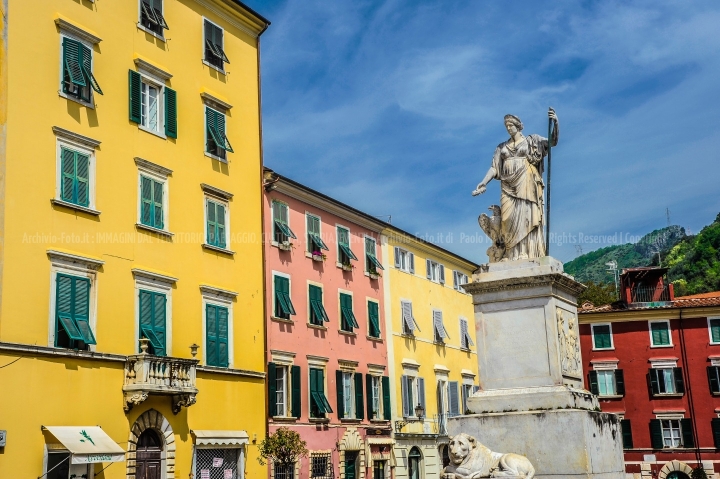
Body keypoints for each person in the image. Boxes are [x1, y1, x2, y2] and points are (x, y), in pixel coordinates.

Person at [472, 109, 559, 261]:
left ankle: (527, 253)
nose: (508, 128)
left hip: (526, 183)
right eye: (506, 126)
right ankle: (511, 254)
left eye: (511, 125)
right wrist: (484, 182)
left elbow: (552, 142)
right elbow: (494, 167)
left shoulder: (532, 141)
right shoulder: (501, 147)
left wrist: (555, 123)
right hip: (507, 186)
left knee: (526, 217)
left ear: (518, 126)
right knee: (507, 219)